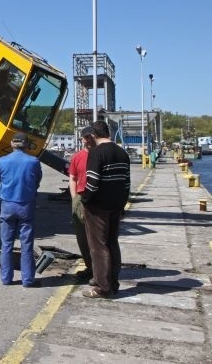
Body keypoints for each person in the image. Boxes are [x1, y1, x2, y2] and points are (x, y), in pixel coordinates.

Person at [80, 120, 131, 299]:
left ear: (93, 135)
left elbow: (92, 183)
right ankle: (113, 283)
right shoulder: (123, 153)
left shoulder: (96, 153)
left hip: (98, 207)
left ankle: (103, 287)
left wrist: (85, 200)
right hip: (116, 206)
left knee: (98, 247)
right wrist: (122, 205)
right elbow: (126, 184)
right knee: (112, 243)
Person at [0, 132, 43, 287]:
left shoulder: (2, 161)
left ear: (12, 144)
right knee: (26, 244)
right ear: (26, 145)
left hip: (7, 205)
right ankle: (28, 280)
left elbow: (1, 179)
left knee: (6, 243)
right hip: (26, 205)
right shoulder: (33, 161)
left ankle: (6, 278)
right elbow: (37, 181)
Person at [68, 126, 96, 280]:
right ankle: (89, 266)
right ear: (82, 139)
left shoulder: (100, 154)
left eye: (90, 137)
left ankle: (100, 268)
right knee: (81, 235)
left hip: (97, 198)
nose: (88, 140)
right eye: (85, 137)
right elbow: (72, 178)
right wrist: (74, 198)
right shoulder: (77, 157)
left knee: (97, 235)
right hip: (80, 197)